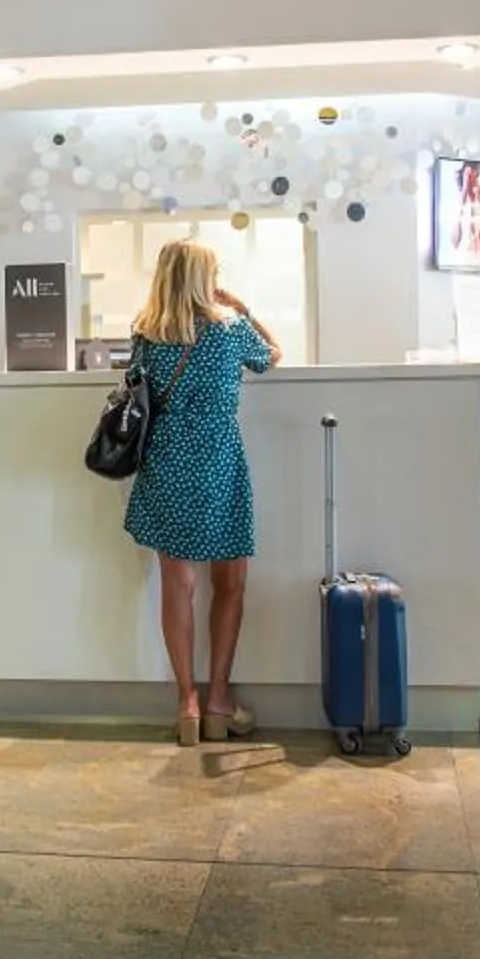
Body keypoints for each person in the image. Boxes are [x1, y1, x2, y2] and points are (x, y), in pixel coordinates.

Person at [123, 240, 280, 746]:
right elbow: (273, 355)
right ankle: (218, 700)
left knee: (178, 586)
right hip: (218, 460)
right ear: (203, 278)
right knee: (230, 583)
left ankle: (186, 704)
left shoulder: (146, 333)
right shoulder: (229, 329)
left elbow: (134, 384)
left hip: (165, 461)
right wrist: (245, 308)